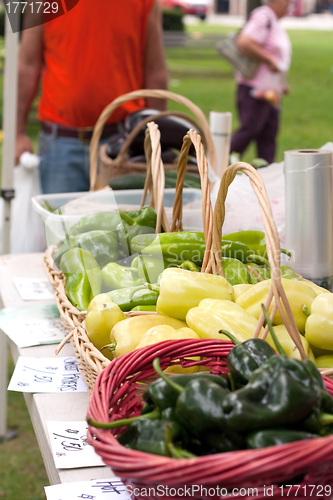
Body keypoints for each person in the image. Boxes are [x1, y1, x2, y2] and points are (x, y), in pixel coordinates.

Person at [15, 0, 168, 194]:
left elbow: (154, 72)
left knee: (122, 224)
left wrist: (156, 141)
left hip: (120, 145)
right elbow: (27, 65)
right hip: (60, 144)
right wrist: (17, 134)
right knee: (59, 223)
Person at [230, 0, 292, 164]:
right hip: (255, 89)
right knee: (250, 129)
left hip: (271, 91)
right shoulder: (263, 16)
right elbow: (244, 42)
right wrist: (269, 60)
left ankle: (265, 175)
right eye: (287, 1)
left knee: (268, 135)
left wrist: (281, 83)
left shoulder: (275, 22)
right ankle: (221, 165)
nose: (289, 5)